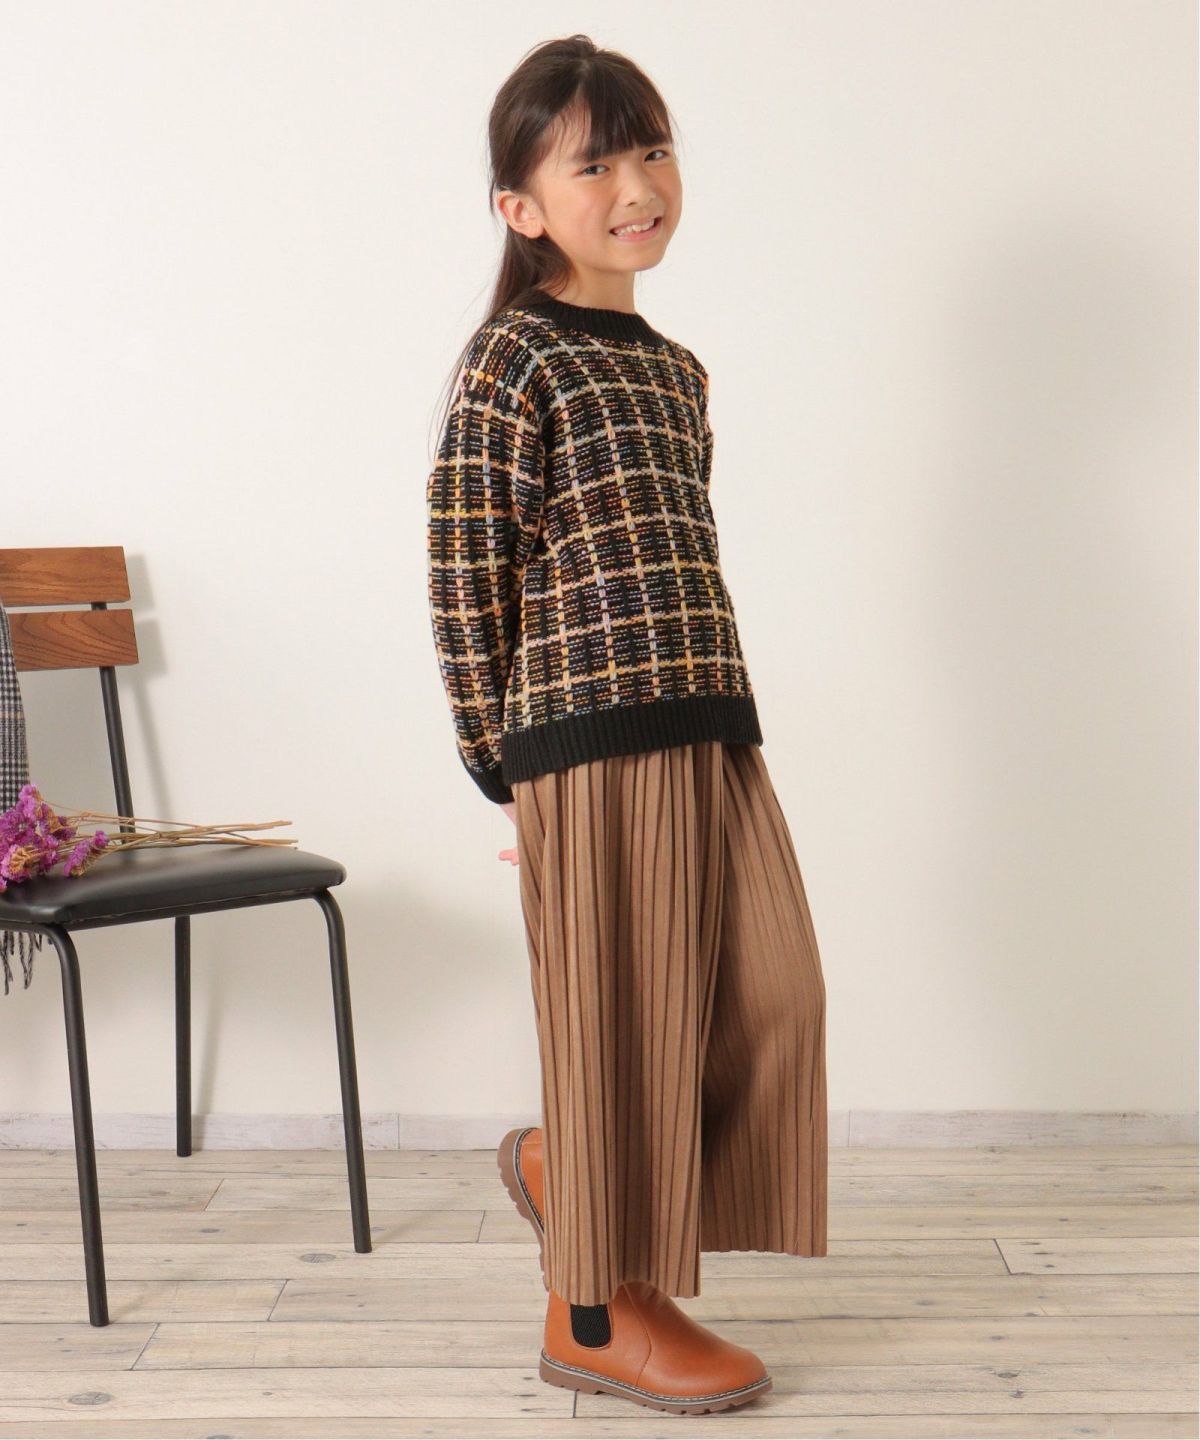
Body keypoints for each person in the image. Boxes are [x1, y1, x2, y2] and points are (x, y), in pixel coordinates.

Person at [425, 33, 827, 1417]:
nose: (637, 185)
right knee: (617, 1034)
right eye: (593, 164)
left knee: (773, 999)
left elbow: (677, 551)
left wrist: (724, 731)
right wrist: (508, 774)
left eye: (651, 151)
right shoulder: (513, 360)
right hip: (582, 738)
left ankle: (567, 1169)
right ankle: (594, 1311)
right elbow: (467, 571)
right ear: (522, 206)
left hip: (709, 721)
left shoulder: (675, 371)